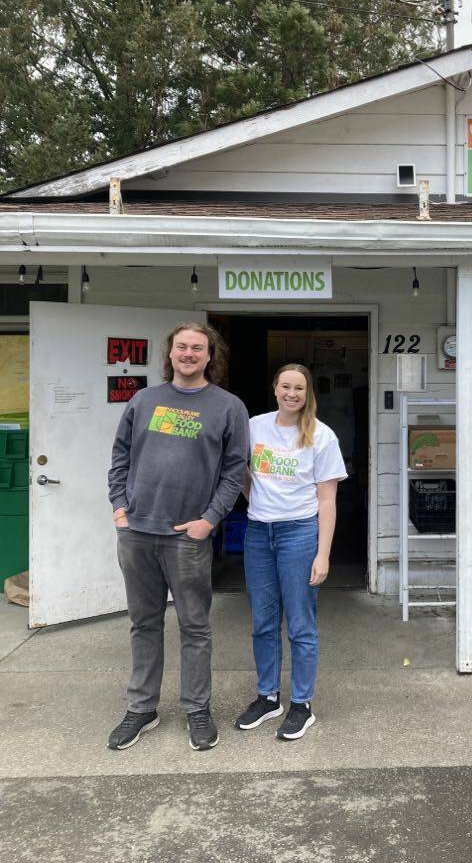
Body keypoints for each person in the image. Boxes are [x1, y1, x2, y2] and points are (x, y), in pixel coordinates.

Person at [106, 322, 249, 752]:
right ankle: (142, 708)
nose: (188, 353)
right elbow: (120, 456)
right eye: (182, 347)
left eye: (197, 348)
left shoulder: (228, 407)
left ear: (210, 357)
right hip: (137, 533)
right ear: (170, 353)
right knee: (143, 623)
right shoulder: (144, 400)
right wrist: (118, 505)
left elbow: (234, 471)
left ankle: (197, 709)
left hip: (187, 537)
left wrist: (209, 520)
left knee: (195, 626)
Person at [234, 363, 347, 740]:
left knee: (300, 624)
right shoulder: (254, 426)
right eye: (286, 386)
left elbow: (327, 499)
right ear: (275, 388)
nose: (292, 393)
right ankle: (268, 697)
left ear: (307, 392)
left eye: (299, 388)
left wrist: (323, 553)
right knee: (263, 623)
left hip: (300, 534)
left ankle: (302, 704)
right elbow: (245, 475)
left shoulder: (321, 436)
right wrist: (259, 506)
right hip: (258, 534)